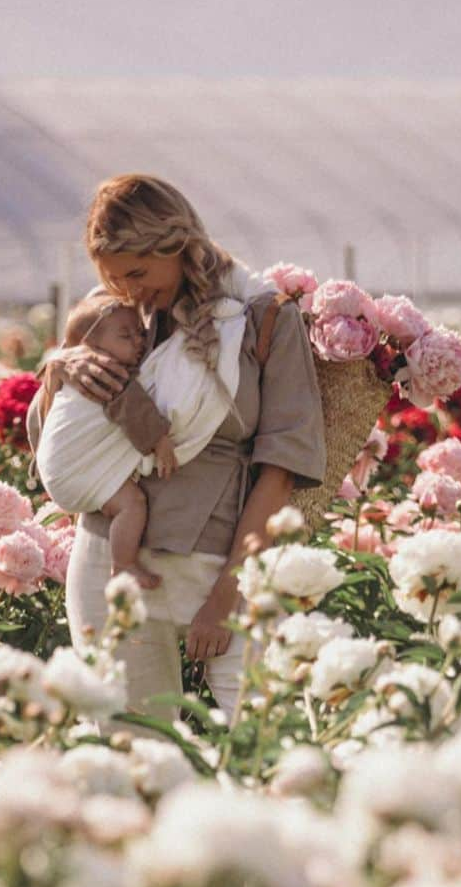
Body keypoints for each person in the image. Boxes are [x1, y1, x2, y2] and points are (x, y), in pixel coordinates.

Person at [28, 174, 326, 720]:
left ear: (180, 246)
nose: (131, 290)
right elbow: (61, 436)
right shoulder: (109, 314)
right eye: (116, 278)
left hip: (216, 559)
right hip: (110, 559)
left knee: (264, 730)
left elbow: (281, 469)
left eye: (139, 272)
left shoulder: (264, 317)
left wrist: (227, 593)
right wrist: (58, 369)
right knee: (127, 741)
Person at [34, 293, 178, 589]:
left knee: (128, 501)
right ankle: (124, 563)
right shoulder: (105, 373)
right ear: (90, 348)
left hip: (60, 474)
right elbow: (135, 409)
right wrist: (160, 441)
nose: (139, 341)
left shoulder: (75, 376)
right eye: (126, 335)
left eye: (140, 332)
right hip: (74, 472)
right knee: (133, 504)